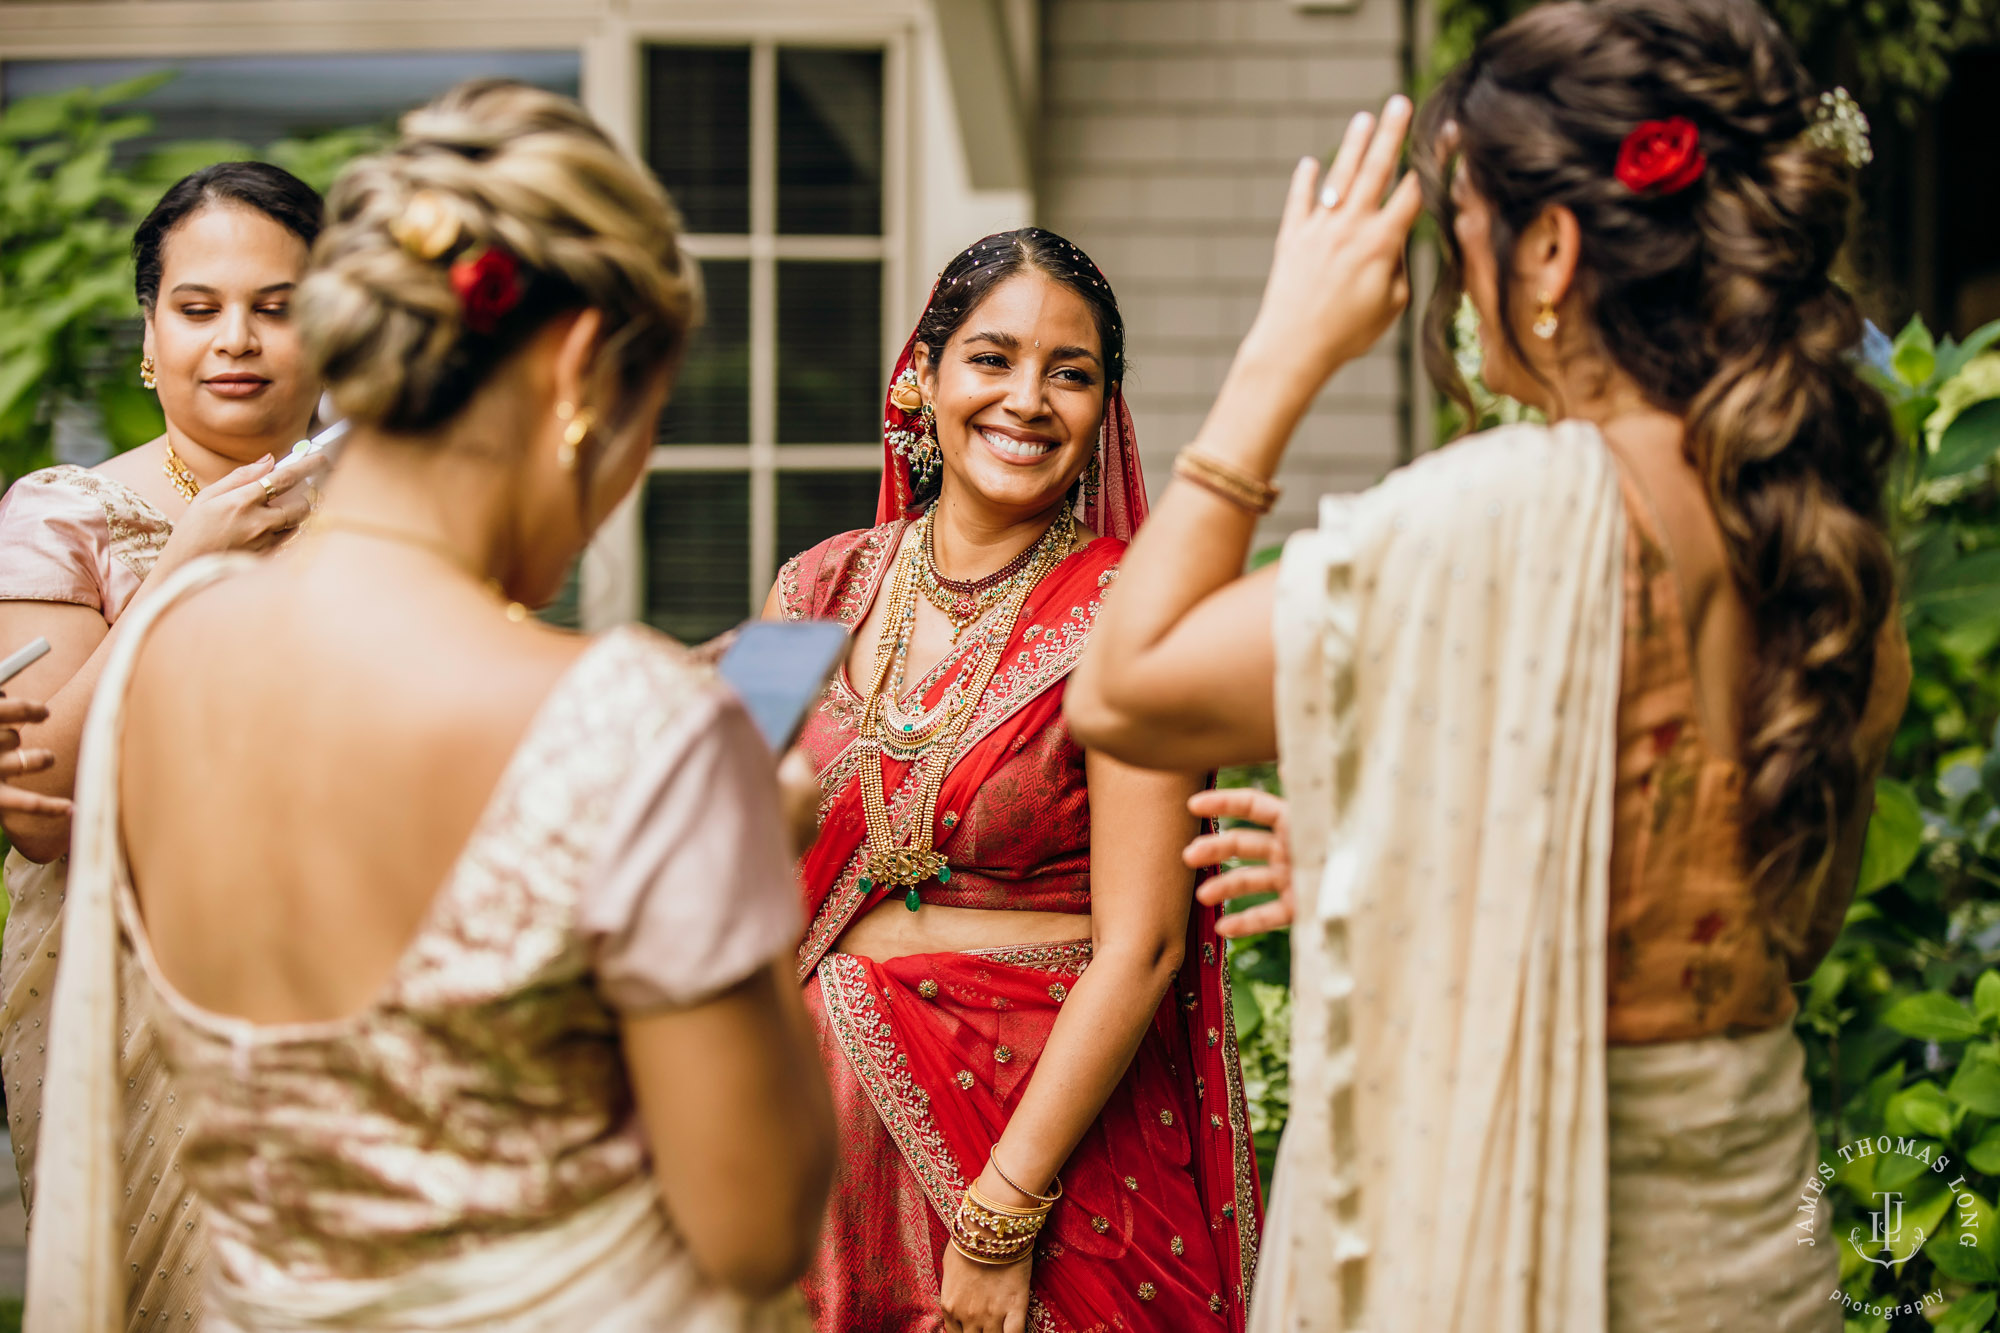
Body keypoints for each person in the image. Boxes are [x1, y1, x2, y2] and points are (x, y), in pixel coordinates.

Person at [1066, 0, 1911, 1327]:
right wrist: (1384, 858)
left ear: (1553, 250)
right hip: (1750, 1242)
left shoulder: (1512, 508)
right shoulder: (1811, 533)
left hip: (1568, 1271)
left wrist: (1278, 357)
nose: (1454, 263)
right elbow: (1714, 891)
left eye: (1464, 223)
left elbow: (1123, 685)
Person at [25, 80, 833, 1332]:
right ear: (580, 370)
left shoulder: (164, 654)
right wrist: (747, 867)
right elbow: (755, 1221)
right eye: (647, 421)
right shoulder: (641, 729)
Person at [769, 228, 1260, 1333]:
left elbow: (1143, 944)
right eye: (991, 359)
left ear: (1104, 411)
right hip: (807, 1153)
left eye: (1069, 373)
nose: (1027, 399)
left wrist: (1000, 1213)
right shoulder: (809, 584)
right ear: (922, 378)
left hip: (1036, 1155)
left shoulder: (1135, 618)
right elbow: (722, 855)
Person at [0, 160, 326, 1330]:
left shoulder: (400, 507)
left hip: (352, 985)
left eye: (277, 307)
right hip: (131, 992)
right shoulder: (66, 514)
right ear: (152, 335)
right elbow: (37, 797)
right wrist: (190, 558)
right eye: (198, 308)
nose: (235, 339)